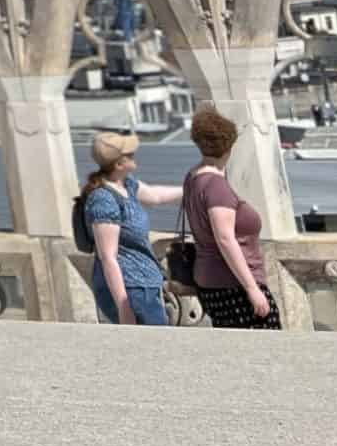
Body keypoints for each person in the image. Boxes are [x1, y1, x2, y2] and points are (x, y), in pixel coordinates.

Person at [181, 106, 281, 329]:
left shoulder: (193, 178)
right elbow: (225, 239)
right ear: (229, 146)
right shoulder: (217, 186)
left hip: (209, 281)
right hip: (233, 284)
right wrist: (252, 289)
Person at [80, 131, 186, 326]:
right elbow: (108, 257)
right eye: (129, 154)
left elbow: (155, 196)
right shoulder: (103, 200)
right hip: (132, 289)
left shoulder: (126, 184)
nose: (134, 155)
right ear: (119, 164)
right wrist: (124, 307)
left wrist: (190, 187)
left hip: (145, 284)